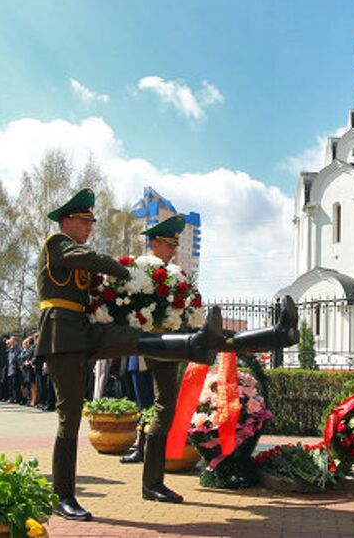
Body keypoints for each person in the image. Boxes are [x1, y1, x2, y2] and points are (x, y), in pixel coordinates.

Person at [37, 188, 299, 522]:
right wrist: (126, 273)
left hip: (90, 331)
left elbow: (98, 289)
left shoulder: (153, 271)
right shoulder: (57, 244)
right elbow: (94, 270)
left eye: (91, 221)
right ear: (68, 220)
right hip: (62, 333)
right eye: (85, 221)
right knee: (69, 416)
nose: (90, 227)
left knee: (170, 354)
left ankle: (273, 335)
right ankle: (63, 495)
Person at [119, 215, 191, 504]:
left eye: (175, 244)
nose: (173, 250)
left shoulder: (171, 272)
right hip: (150, 344)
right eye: (169, 244)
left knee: (164, 410)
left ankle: (153, 483)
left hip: (169, 344)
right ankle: (152, 483)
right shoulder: (141, 270)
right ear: (155, 242)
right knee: (161, 410)